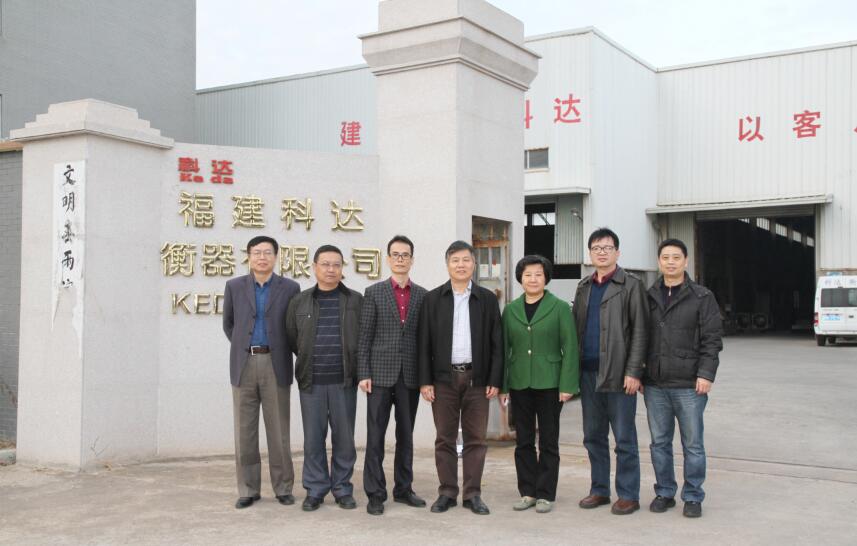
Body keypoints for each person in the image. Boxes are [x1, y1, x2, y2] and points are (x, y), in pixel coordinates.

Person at [418, 240, 503, 516]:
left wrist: (494, 379)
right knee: (444, 438)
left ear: (474, 264)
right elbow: (424, 343)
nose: (461, 265)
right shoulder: (433, 299)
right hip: (443, 380)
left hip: (477, 380)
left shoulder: (486, 299)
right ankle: (447, 492)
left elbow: (497, 343)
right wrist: (425, 381)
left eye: (466, 260)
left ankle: (472, 494)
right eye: (455, 260)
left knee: (476, 438)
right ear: (447, 265)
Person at [643, 238, 723, 518]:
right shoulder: (649, 296)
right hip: (655, 384)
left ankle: (693, 496)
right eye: (665, 257)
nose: (671, 262)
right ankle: (665, 492)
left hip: (689, 384)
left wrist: (706, 373)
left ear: (686, 261)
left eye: (676, 257)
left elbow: (712, 339)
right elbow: (639, 336)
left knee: (693, 444)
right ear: (659, 262)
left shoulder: (702, 297)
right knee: (659, 443)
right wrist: (640, 372)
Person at [572, 227, 648, 515]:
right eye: (596, 248)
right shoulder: (584, 287)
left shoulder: (631, 285)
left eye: (607, 248)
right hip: (588, 374)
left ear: (617, 252)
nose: (601, 252)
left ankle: (628, 494)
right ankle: (599, 489)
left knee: (624, 438)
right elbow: (576, 330)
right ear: (590, 254)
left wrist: (634, 371)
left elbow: (640, 331)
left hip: (619, 375)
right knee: (593, 436)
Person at [222, 235, 301, 509]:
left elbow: (293, 326)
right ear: (249, 256)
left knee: (279, 430)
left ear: (276, 256)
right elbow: (229, 324)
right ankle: (248, 488)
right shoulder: (234, 286)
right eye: (257, 252)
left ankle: (283, 487)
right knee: (244, 431)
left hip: (275, 362)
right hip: (244, 363)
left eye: (267, 252)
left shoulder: (290, 288)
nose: (262, 257)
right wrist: (244, 346)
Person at [285, 244, 363, 512]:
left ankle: (342, 488)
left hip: (344, 382)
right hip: (312, 382)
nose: (331, 269)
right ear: (314, 267)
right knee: (313, 439)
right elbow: (293, 338)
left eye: (336, 265)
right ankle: (315, 489)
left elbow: (362, 338)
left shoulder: (355, 301)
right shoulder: (300, 301)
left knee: (345, 439)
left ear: (342, 268)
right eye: (326, 264)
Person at [499, 255, 579, 514]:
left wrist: (568, 385)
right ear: (520, 278)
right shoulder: (510, 310)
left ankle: (545, 493)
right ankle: (527, 491)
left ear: (546, 278)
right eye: (528, 275)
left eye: (538, 274)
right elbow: (503, 350)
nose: (533, 279)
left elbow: (570, 347)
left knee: (548, 440)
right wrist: (503, 386)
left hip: (550, 383)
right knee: (523, 440)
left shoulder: (559, 308)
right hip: (520, 382)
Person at [358, 235, 428, 515]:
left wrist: (426, 378)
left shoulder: (423, 295)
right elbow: (365, 336)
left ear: (412, 259)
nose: (400, 259)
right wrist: (363, 372)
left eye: (405, 255)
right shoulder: (373, 292)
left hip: (409, 375)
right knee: (375, 436)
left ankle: (403, 489)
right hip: (379, 375)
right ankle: (375, 493)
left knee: (406, 436)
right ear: (388, 259)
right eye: (396, 254)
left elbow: (425, 340)